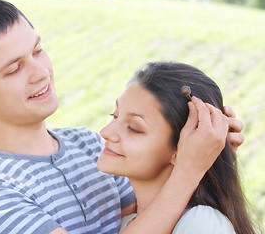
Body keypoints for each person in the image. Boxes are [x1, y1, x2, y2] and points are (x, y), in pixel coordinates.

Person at [0, 0, 244, 233]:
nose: (41, 73)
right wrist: (189, 168)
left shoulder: (90, 146)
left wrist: (206, 146)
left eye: (38, 51)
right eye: (14, 68)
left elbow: (157, 217)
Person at [97, 61, 255, 234]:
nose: (105, 132)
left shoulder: (200, 223)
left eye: (134, 129)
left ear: (183, 149)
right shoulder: (123, 224)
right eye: (115, 115)